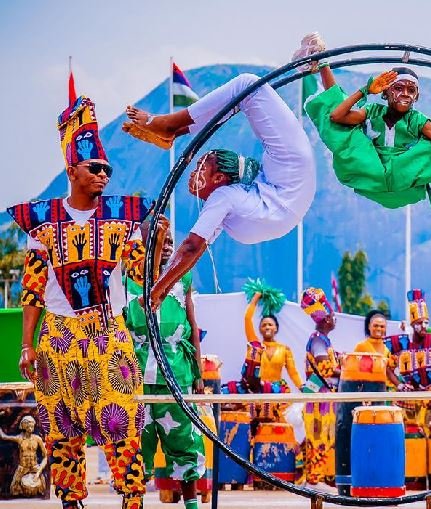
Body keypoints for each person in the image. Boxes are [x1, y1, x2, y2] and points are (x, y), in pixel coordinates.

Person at [9, 95, 152, 509]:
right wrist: (26, 344)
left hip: (109, 332)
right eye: (95, 168)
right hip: (57, 334)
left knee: (121, 422)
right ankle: (71, 501)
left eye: (108, 169)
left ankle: (132, 499)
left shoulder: (125, 220)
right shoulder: (43, 223)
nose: (104, 174)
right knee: (59, 428)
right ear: (72, 171)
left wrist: (156, 241)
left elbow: (143, 276)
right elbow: (32, 290)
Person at [121, 74, 316, 309]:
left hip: (287, 200)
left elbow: (194, 248)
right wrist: (158, 290)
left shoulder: (231, 202)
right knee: (246, 85)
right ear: (219, 178)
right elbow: (193, 247)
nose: (192, 173)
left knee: (243, 94)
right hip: (293, 173)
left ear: (220, 178)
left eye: (199, 167)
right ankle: (171, 126)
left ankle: (171, 127)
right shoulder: (229, 196)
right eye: (200, 166)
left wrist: (159, 290)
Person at [292, 32, 431, 211]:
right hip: (370, 173)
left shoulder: (416, 120)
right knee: (342, 126)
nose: (405, 94)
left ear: (416, 96)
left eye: (410, 90)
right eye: (398, 88)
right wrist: (365, 90)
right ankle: (321, 61)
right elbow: (336, 117)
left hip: (405, 178)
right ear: (386, 93)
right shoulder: (373, 111)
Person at [123, 219, 206, 509]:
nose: (168, 243)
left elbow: (193, 326)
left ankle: (192, 505)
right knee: (136, 448)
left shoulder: (182, 277)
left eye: (170, 239)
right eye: (159, 238)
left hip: (177, 374)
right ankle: (134, 502)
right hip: (136, 377)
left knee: (185, 442)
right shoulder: (126, 280)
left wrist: (199, 374)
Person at [240, 281, 303, 423]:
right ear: (260, 329)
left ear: (276, 328)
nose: (267, 327)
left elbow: (293, 372)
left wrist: (302, 387)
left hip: (276, 394)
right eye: (263, 325)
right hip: (257, 393)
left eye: (270, 324)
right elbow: (247, 318)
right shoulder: (256, 345)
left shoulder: (284, 349)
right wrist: (256, 297)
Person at [300, 288, 340, 486]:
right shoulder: (317, 339)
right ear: (326, 319)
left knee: (325, 436)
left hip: (323, 397)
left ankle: (321, 477)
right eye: (332, 316)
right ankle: (315, 480)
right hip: (318, 399)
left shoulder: (324, 339)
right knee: (319, 437)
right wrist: (347, 369)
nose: (334, 319)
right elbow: (325, 368)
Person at [0, 416, 47, 497]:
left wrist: (39, 471)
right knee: (13, 488)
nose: (31, 428)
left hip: (35, 466)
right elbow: (4, 437)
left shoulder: (37, 439)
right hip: (22, 467)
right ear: (24, 427)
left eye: (32, 426)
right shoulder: (20, 438)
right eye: (28, 426)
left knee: (43, 488)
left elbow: (45, 456)